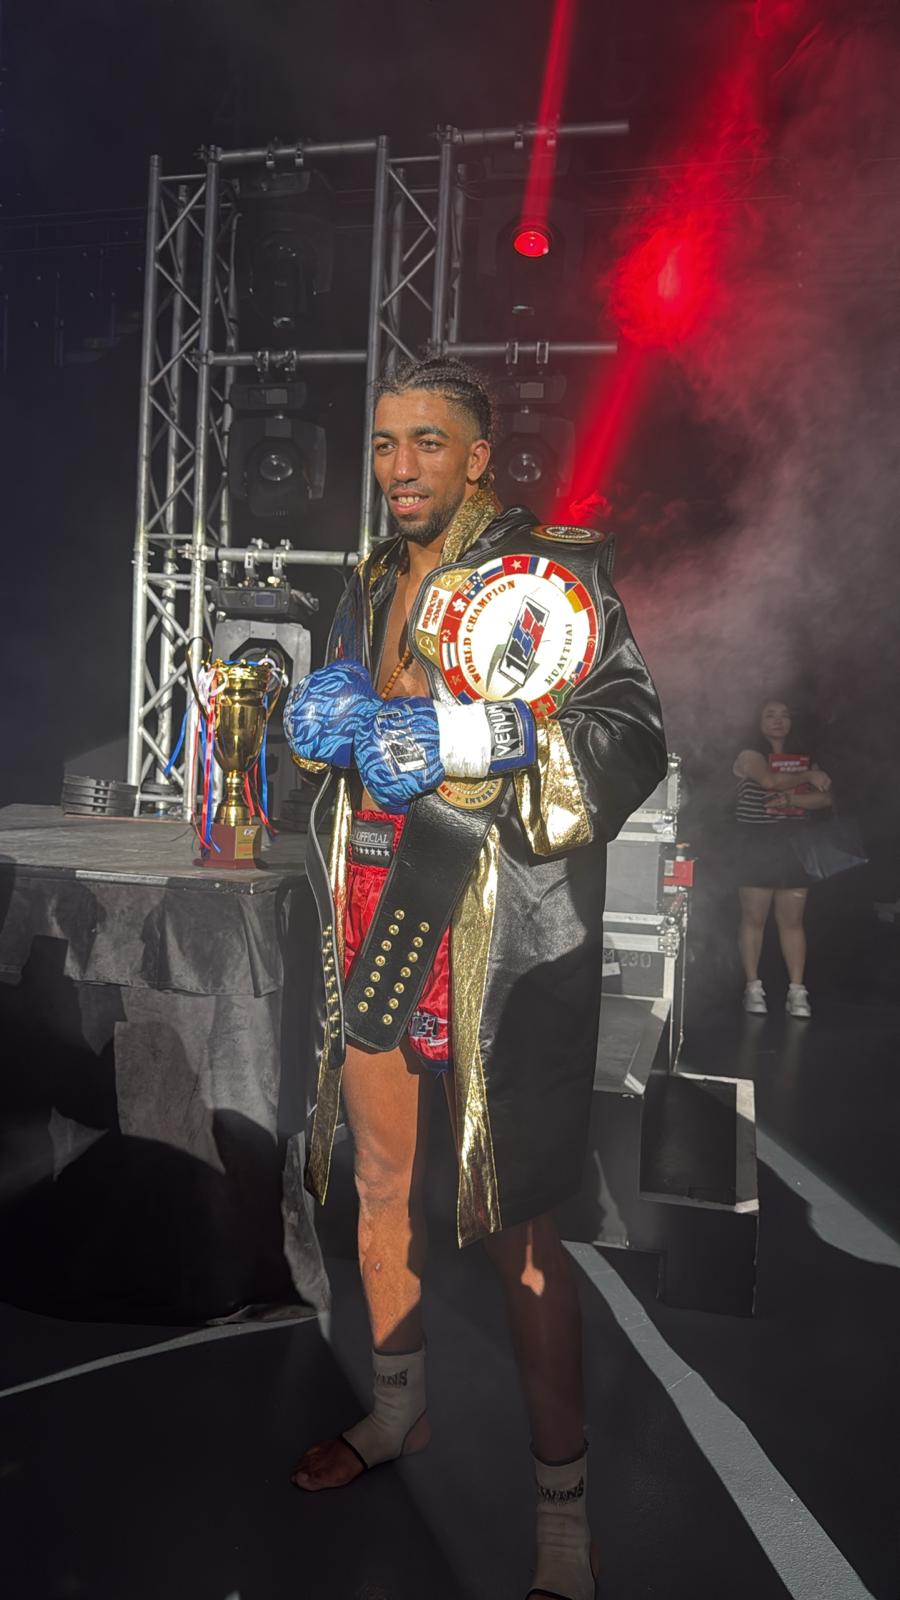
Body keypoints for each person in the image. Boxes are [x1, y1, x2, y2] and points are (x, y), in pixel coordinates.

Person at [283, 356, 666, 1600]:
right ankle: (400, 1412)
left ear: (479, 456)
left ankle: (562, 1523)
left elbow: (630, 734)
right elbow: (354, 748)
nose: (399, 468)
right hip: (372, 906)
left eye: (428, 443)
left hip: (493, 927)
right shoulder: (367, 578)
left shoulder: (549, 571)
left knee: (516, 1226)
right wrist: (324, 733)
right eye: (385, 443)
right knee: (381, 1181)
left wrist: (478, 732)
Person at [733, 699, 833, 1018]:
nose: (778, 720)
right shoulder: (749, 755)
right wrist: (808, 776)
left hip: (792, 845)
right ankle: (753, 987)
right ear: (758, 721)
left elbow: (825, 798)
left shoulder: (803, 759)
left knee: (792, 921)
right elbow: (769, 781)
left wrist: (791, 796)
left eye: (784, 715)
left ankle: (797, 991)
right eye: (770, 715)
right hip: (756, 844)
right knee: (754, 919)